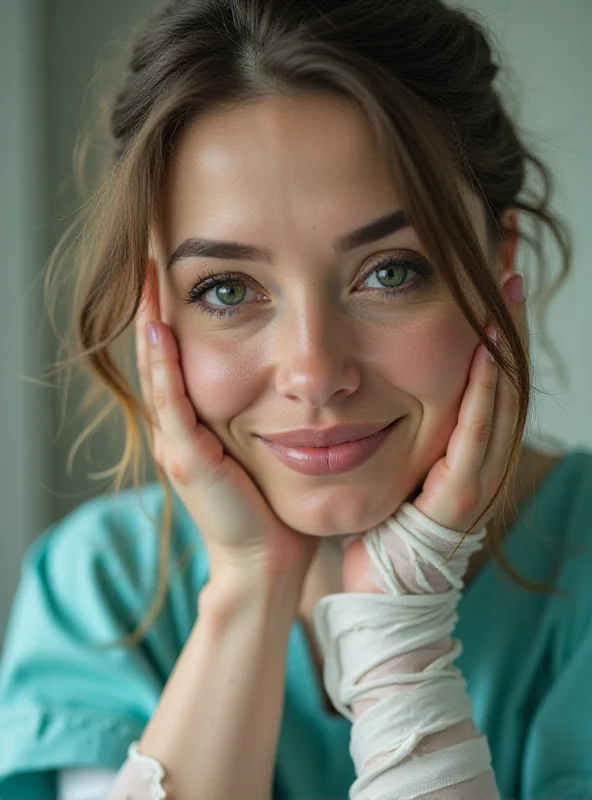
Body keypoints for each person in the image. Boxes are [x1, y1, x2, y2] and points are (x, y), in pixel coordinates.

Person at [0, 0, 590, 797]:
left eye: (390, 271)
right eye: (226, 287)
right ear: (155, 312)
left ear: (500, 265)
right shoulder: (99, 587)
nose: (313, 372)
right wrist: (248, 583)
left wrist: (399, 636)